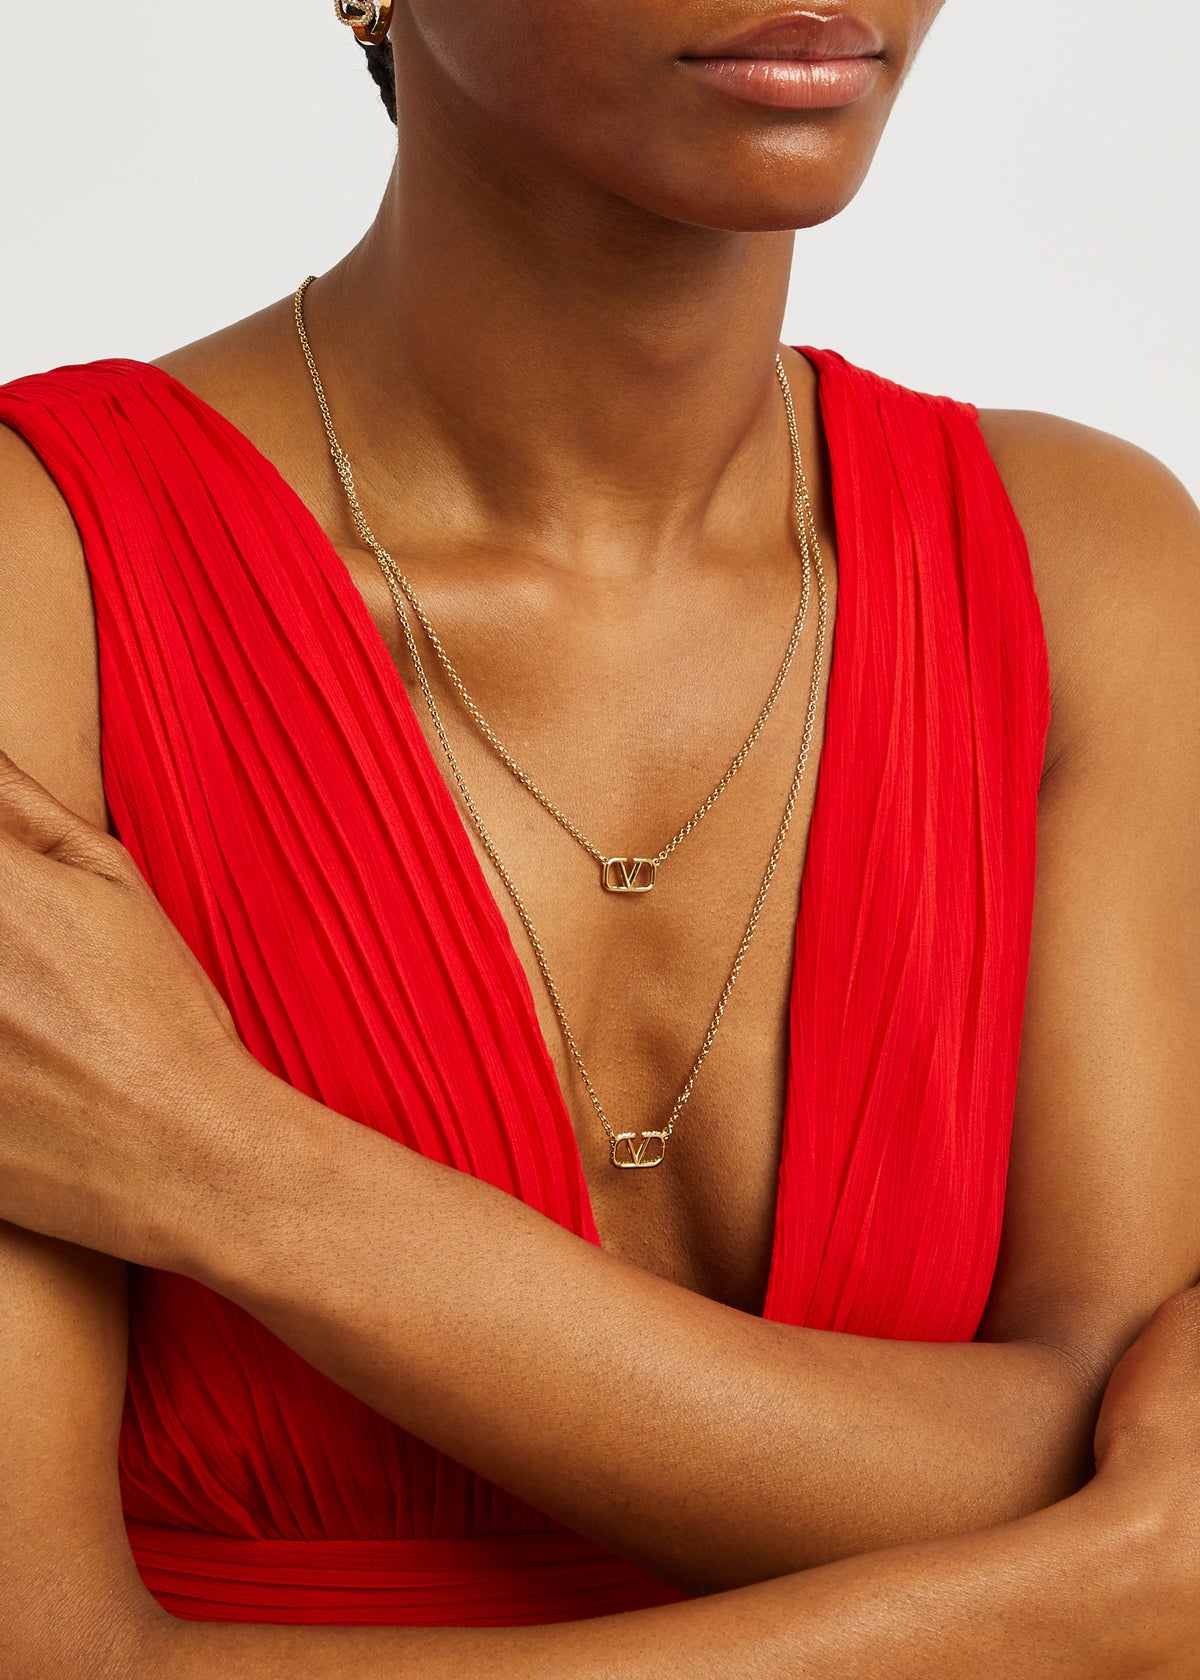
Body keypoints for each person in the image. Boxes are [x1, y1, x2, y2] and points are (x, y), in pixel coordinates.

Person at [0, 0, 1197, 1673]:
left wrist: (231, 1171)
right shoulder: (41, 579)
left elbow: (1112, 1456)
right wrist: (1061, 1616)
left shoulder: (1082, 569)